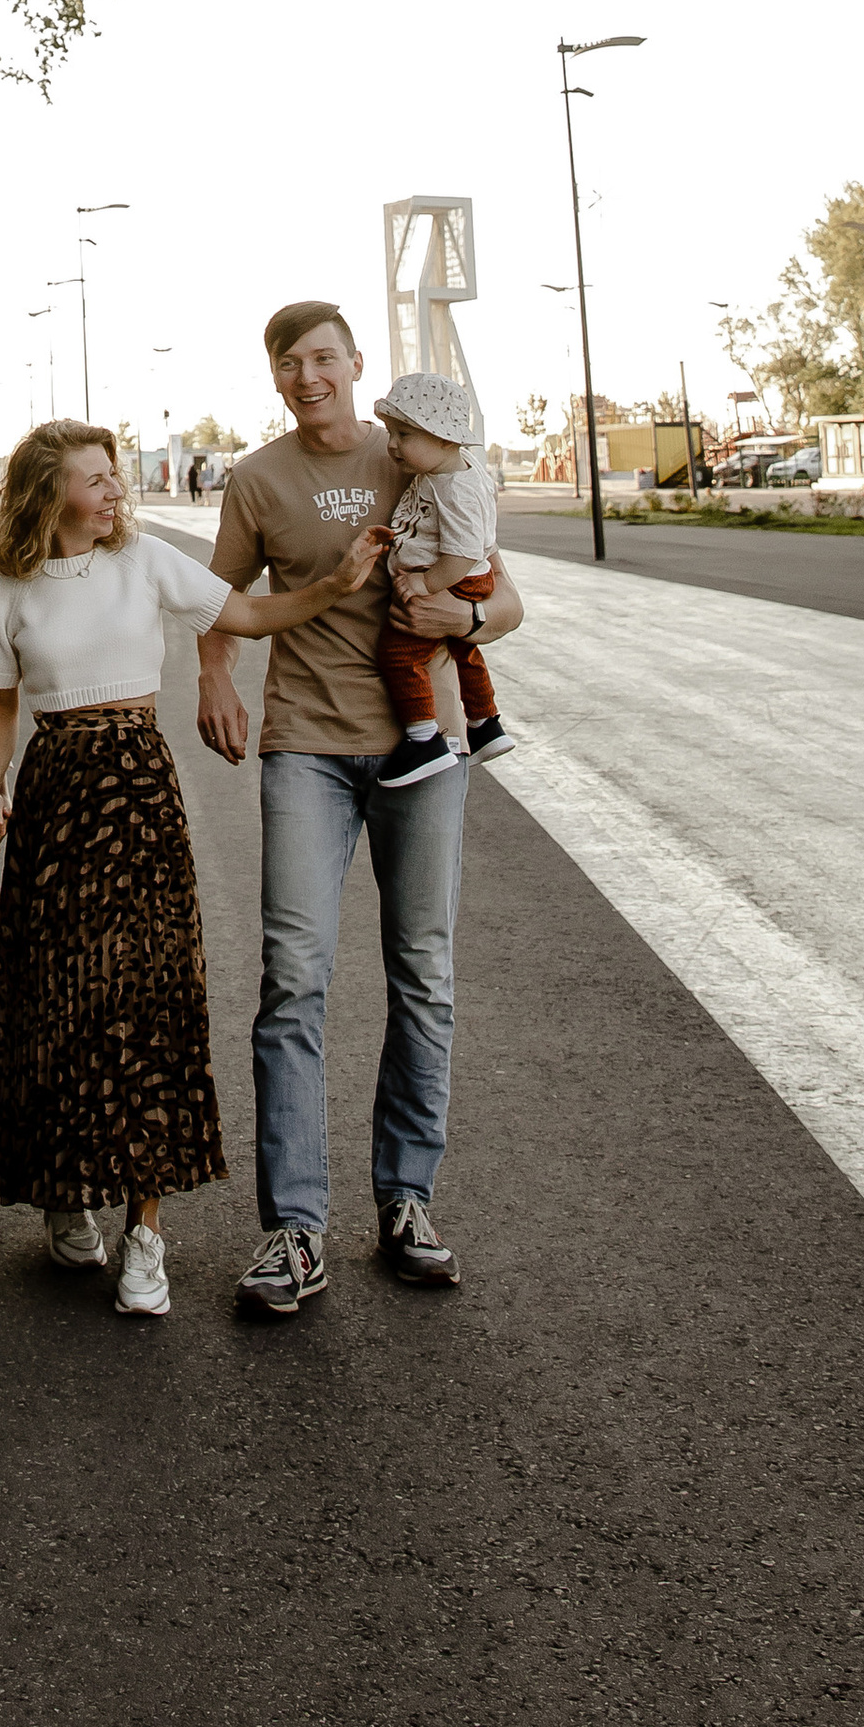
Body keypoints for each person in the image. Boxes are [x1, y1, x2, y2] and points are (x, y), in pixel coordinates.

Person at [0, 419, 375, 1318]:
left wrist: (334, 585)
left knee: (147, 1002)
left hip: (138, 786)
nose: (115, 491)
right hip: (56, 789)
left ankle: (145, 1231)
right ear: (48, 493)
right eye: (95, 479)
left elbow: (250, 614)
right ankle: (69, 1196)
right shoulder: (3, 591)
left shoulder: (145, 562)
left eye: (115, 476)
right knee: (57, 998)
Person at [198, 301, 524, 1318]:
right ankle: (294, 1229)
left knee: (421, 972)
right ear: (276, 377)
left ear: (356, 366)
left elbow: (504, 598)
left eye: (324, 360)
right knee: (292, 978)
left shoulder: (419, 454)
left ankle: (406, 1203)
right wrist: (217, 679)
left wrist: (466, 616)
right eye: (289, 364)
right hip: (306, 747)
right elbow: (218, 602)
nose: (308, 378)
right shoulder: (258, 480)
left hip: (422, 758)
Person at [370, 370, 513, 772]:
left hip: (454, 580)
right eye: (390, 433)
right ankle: (486, 724)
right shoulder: (446, 472)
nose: (393, 445)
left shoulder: (455, 487)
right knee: (465, 651)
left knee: (399, 655)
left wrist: (425, 582)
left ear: (446, 438)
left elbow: (465, 552)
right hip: (462, 580)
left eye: (405, 435)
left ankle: (423, 739)